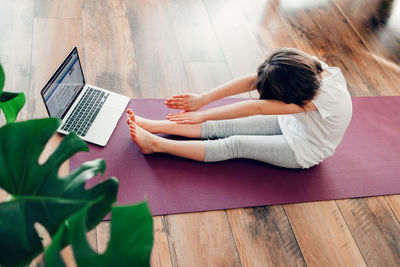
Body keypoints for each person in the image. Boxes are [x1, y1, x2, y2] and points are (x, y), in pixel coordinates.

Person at [126, 47, 352, 169]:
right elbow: (252, 80)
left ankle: (156, 145)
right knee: (222, 124)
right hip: (291, 122)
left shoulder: (325, 97)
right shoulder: (308, 68)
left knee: (236, 143)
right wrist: (203, 99)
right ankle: (154, 125)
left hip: (305, 146)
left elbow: (259, 108)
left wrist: (202, 114)